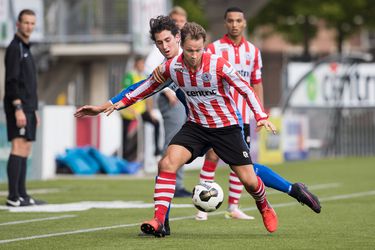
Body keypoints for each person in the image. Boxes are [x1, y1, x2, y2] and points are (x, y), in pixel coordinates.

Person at [106, 21, 279, 237]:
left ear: (204, 46)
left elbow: (246, 90)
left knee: (250, 181)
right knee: (167, 163)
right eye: (190, 51)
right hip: (196, 126)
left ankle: (263, 204)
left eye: (199, 50)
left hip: (226, 128)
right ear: (182, 45)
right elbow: (145, 88)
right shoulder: (172, 67)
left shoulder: (219, 65)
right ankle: (159, 221)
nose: (194, 55)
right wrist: (116, 104)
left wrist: (261, 116)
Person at [195, 7, 321, 221]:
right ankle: (203, 203)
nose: (234, 24)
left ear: (244, 23)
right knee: (213, 155)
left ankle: (233, 206)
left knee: (242, 161)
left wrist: (259, 113)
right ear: (225, 23)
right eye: (230, 21)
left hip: (242, 116)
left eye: (238, 21)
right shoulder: (213, 48)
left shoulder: (253, 51)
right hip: (218, 114)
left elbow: (256, 83)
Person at [144, 6, 192, 198]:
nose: (180, 24)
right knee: (174, 140)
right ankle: (171, 184)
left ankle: (174, 183)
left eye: (183, 20)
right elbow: (151, 71)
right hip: (171, 99)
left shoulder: (185, 45)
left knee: (184, 140)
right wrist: (167, 91)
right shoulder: (165, 45)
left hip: (185, 97)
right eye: (177, 21)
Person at [3, 9, 45, 207]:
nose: (29, 26)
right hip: (18, 105)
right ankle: (13, 196)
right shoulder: (15, 48)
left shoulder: (27, 48)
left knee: (26, 148)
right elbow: (11, 82)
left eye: (32, 23)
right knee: (18, 146)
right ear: (18, 24)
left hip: (29, 106)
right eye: (25, 23)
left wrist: (33, 110)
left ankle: (22, 194)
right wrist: (18, 107)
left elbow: (29, 83)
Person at [120, 55, 161, 160]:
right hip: (129, 112)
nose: (143, 66)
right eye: (141, 64)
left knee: (156, 123)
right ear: (136, 65)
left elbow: (148, 97)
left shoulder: (144, 77)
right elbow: (124, 93)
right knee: (125, 134)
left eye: (143, 64)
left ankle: (156, 151)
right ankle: (124, 157)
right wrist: (130, 109)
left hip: (140, 111)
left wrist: (150, 111)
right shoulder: (130, 76)